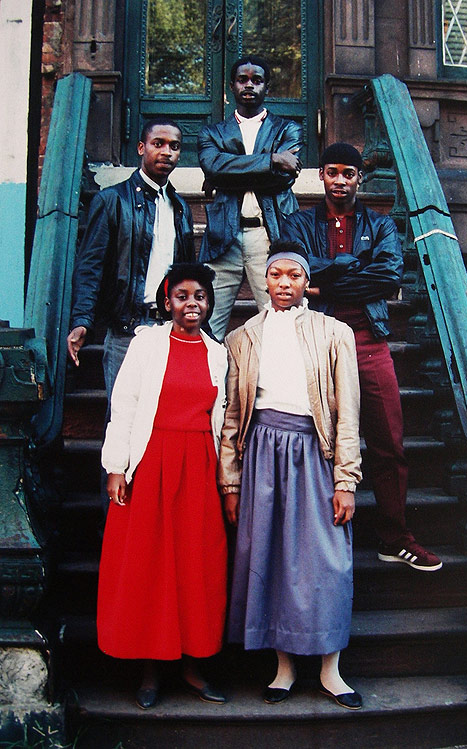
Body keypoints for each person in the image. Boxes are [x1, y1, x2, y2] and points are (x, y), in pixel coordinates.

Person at [282, 142, 442, 572]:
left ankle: (395, 537)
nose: (340, 180)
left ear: (359, 178)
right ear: (321, 175)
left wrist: (326, 278)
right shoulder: (298, 223)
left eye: (348, 174)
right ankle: (316, 542)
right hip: (316, 341)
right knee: (315, 441)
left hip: (368, 340)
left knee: (388, 440)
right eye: (332, 172)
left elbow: (389, 275)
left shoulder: (381, 223)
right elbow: (296, 272)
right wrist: (350, 267)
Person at [219, 240, 363, 709]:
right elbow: (232, 417)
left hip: (313, 452)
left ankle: (330, 670)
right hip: (262, 454)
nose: (284, 284)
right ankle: (283, 668)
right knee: (273, 557)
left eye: (294, 276)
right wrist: (231, 482)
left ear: (307, 281)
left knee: (324, 559)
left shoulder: (334, 333)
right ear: (264, 280)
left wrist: (345, 480)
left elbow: (348, 414)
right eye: (276, 275)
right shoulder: (242, 338)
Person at [97, 263, 228, 709]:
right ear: (167, 301)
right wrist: (117, 466)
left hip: (199, 466)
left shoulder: (218, 353)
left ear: (209, 303)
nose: (191, 304)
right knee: (150, 564)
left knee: (195, 564)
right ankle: (150, 669)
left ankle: (192, 665)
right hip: (152, 461)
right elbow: (125, 404)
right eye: (182, 296)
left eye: (200, 297)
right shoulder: (147, 344)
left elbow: (222, 417)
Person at [67, 116, 195, 405]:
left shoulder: (180, 207)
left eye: (174, 146)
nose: (166, 152)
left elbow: (187, 273)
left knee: (164, 416)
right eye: (158, 144)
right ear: (141, 148)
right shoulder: (112, 200)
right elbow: (90, 267)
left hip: (169, 328)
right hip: (126, 330)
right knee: (122, 418)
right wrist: (82, 320)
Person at [197, 55, 303, 341]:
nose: (249, 85)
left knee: (280, 322)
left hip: (269, 234)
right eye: (242, 80)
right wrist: (272, 160)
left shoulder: (287, 129)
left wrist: (225, 174)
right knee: (208, 326)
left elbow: (283, 179)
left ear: (267, 87)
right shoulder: (212, 132)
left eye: (257, 80)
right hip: (224, 236)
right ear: (232, 86)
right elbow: (212, 166)